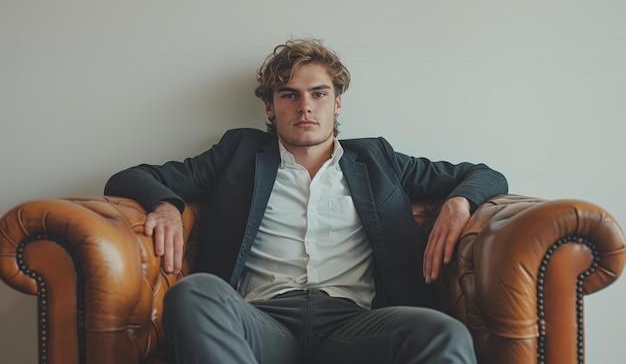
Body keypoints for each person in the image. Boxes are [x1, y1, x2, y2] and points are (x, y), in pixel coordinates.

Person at [104, 39, 508, 364]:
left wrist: (459, 202)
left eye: (318, 93)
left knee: (444, 333)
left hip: (354, 327)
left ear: (337, 103)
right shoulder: (238, 152)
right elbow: (130, 176)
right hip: (261, 321)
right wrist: (165, 204)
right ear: (270, 106)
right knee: (192, 294)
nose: (305, 107)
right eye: (289, 95)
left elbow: (486, 175)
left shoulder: (377, 158)